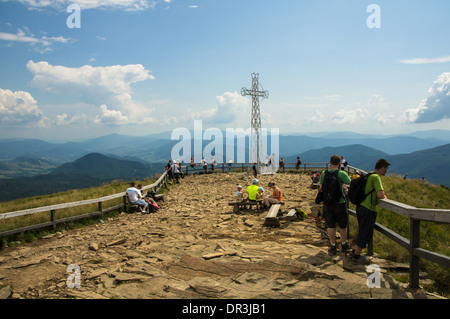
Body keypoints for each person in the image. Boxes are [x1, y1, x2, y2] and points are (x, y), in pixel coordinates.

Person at [351, 159, 390, 264]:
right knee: (365, 232)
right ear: (382, 168)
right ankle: (356, 256)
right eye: (386, 169)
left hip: (360, 207)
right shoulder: (376, 177)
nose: (386, 171)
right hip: (368, 209)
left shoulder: (369, 175)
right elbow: (380, 195)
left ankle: (354, 250)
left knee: (362, 230)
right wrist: (384, 197)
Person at [319, 155, 351, 255]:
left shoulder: (324, 173)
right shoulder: (341, 173)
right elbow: (351, 183)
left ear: (330, 162)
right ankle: (344, 244)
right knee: (342, 225)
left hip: (328, 203)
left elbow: (321, 187)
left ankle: (332, 246)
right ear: (339, 163)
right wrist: (345, 188)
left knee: (331, 225)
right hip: (340, 202)